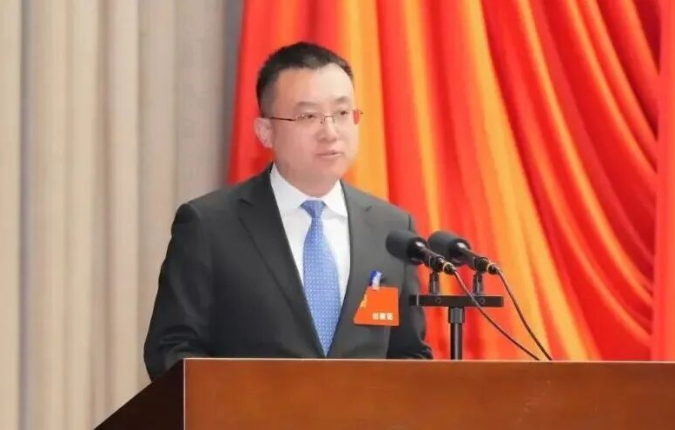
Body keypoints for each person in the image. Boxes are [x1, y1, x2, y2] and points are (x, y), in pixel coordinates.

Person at [144, 41, 432, 380]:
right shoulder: (209, 226)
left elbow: (408, 354)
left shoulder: (392, 230)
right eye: (308, 116)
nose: (330, 132)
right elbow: (172, 349)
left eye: (342, 113)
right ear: (266, 132)